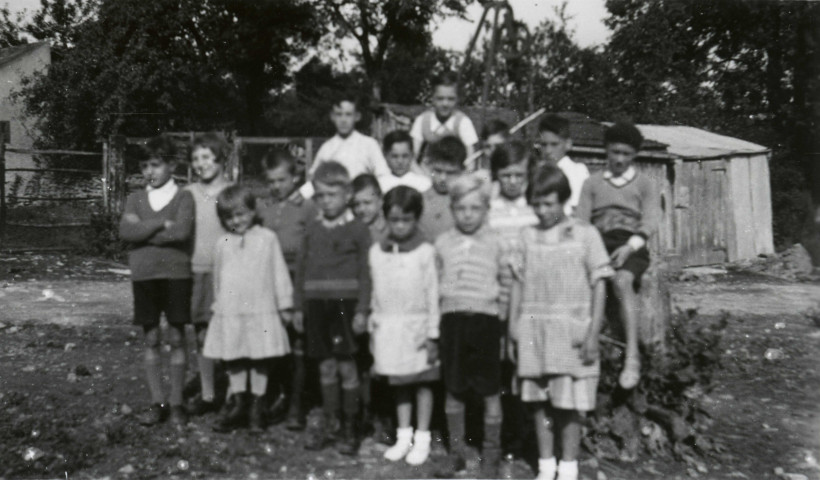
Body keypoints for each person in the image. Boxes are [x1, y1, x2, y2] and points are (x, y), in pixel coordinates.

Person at [509, 165, 613, 480]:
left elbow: (600, 285)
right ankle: (545, 465)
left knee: (569, 405)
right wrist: (512, 330)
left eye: (549, 203)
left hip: (572, 332)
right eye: (537, 204)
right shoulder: (526, 236)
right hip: (534, 332)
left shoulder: (585, 234)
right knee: (539, 403)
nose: (542, 211)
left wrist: (594, 334)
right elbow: (517, 283)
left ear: (564, 200)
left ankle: (568, 466)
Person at [294, 161, 372, 456]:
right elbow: (301, 270)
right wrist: (298, 307)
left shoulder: (359, 229)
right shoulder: (311, 230)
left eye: (332, 194)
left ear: (347, 194)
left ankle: (352, 424)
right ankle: (332, 421)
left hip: (346, 306)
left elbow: (366, 273)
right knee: (325, 366)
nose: (326, 201)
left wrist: (363, 310)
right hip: (316, 306)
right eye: (320, 195)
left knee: (347, 366)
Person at [576, 122, 660, 390]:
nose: (620, 159)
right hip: (597, 242)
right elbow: (582, 222)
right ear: (606, 151)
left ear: (634, 154)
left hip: (631, 244)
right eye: (615, 152)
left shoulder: (645, 184)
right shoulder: (592, 183)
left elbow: (649, 222)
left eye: (626, 153)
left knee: (622, 281)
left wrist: (628, 248)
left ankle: (632, 355)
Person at [434, 173, 507, 478]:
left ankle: (491, 454)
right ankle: (457, 452)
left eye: (475, 208)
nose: (467, 214)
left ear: (486, 209)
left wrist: (501, 322)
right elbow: (434, 284)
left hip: (486, 324)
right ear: (452, 209)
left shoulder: (495, 241)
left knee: (490, 392)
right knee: (454, 390)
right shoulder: (442, 242)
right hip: (452, 323)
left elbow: (505, 284)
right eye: (461, 208)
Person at [204, 185, 293, 433]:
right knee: (234, 357)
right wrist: (217, 304)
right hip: (231, 311)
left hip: (260, 309)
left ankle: (257, 406)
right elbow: (218, 278)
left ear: (253, 212)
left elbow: (279, 273)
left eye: (241, 214)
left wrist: (285, 304)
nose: (236, 221)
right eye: (230, 217)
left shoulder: (267, 239)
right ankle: (239, 403)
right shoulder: (222, 243)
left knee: (259, 357)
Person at [119, 135, 194, 426]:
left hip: (176, 274)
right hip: (144, 275)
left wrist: (145, 231)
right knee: (150, 338)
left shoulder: (183, 196)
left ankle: (176, 403)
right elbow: (126, 232)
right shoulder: (135, 198)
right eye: (145, 165)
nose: (150, 171)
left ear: (172, 164)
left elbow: (182, 233)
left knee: (176, 337)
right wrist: (162, 224)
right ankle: (157, 401)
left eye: (156, 164)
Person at [369, 186, 440, 466]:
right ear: (386, 219)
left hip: (419, 326)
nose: (400, 226)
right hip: (389, 326)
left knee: (422, 383)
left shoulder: (425, 252)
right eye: (394, 220)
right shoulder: (377, 251)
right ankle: (403, 435)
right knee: (399, 382)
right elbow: (376, 292)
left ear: (416, 219)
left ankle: (422, 437)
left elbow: (433, 294)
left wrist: (433, 334)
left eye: (406, 220)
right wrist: (375, 328)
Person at [257, 149, 318, 431]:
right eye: (271, 181)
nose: (276, 186)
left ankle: (297, 403)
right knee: (274, 340)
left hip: (297, 279)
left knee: (298, 342)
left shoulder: (307, 207)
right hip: (270, 280)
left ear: (295, 177)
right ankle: (276, 394)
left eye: (282, 180)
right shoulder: (265, 208)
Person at [486, 140, 539, 460]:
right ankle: (498, 432)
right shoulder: (489, 209)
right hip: (496, 298)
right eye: (505, 175)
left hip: (530, 302)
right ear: (496, 175)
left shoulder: (536, 207)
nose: (512, 182)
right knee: (498, 367)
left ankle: (524, 434)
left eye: (518, 175)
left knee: (525, 367)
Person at [184, 133, 232, 417]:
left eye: (206, 157)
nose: (201, 164)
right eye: (196, 159)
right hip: (197, 273)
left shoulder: (231, 192)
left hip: (227, 276)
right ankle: (208, 393)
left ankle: (235, 394)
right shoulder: (188, 194)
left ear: (220, 159)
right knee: (202, 334)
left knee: (229, 333)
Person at [297, 96, 391, 199]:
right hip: (335, 203)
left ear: (357, 116)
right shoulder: (327, 148)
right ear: (332, 117)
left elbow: (383, 176)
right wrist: (300, 196)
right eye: (339, 114)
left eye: (348, 115)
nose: (343, 120)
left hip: (361, 201)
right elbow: (314, 180)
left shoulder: (369, 144)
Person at [410, 71, 479, 163]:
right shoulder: (423, 120)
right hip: (427, 172)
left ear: (457, 99)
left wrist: (466, 176)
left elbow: (471, 160)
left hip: (455, 173)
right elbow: (412, 158)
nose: (445, 104)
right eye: (440, 98)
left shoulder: (463, 122)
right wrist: (422, 176)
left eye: (450, 99)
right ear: (432, 98)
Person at [534, 114, 589, 216]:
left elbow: (577, 209)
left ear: (568, 144)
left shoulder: (577, 171)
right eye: (543, 145)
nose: (548, 151)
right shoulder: (535, 171)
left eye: (554, 144)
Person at [418, 136, 467, 241]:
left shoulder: (467, 203)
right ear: (430, 166)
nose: (442, 178)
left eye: (450, 172)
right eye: (438, 171)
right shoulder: (419, 201)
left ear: (462, 171)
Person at [352, 174, 388, 244]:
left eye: (367, 202)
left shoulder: (392, 230)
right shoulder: (350, 233)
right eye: (356, 204)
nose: (361, 209)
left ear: (381, 200)